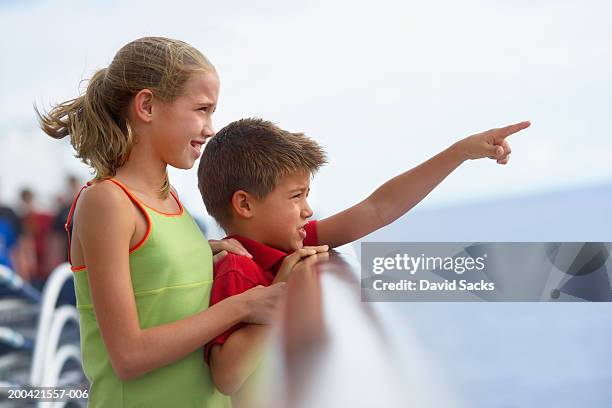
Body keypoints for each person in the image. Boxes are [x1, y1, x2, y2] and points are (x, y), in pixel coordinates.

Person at [197, 117, 530, 401]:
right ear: (245, 205)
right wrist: (277, 298)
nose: (308, 210)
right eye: (296, 196)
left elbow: (378, 208)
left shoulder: (290, 245)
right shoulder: (238, 265)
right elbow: (226, 376)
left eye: (307, 195)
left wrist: (459, 153)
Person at [37, 37, 285, 408]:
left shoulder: (170, 199)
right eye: (202, 109)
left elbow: (151, 273)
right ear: (147, 105)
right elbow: (128, 355)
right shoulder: (107, 200)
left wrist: (206, 253)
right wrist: (243, 306)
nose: (210, 127)